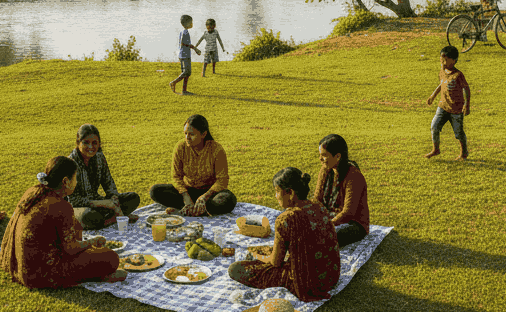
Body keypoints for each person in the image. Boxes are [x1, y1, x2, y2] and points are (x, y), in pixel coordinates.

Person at [0, 155, 126, 288]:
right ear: (66, 181)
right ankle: (100, 275)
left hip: (20, 265)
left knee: (76, 225)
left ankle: (96, 271)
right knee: (111, 258)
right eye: (75, 178)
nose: (76, 182)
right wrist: (92, 242)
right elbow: (70, 249)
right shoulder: (61, 206)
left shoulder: (33, 191)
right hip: (40, 274)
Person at [227, 167, 340, 301]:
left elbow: (275, 263)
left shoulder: (286, 219)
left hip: (308, 283)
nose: (276, 196)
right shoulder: (318, 206)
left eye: (277, 191)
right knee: (269, 249)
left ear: (290, 192)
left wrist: (257, 256)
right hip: (331, 276)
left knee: (235, 269)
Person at [149, 113, 238, 216]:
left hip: (210, 194)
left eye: (191, 134)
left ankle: (190, 209)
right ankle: (197, 209)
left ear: (204, 134)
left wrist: (205, 196)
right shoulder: (180, 147)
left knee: (229, 199)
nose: (187, 137)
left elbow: (222, 180)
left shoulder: (216, 150)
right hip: (188, 191)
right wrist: (185, 196)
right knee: (155, 191)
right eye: (185, 133)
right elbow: (176, 176)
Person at [68, 123, 141, 230]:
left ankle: (108, 219)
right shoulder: (70, 163)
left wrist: (114, 200)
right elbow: (73, 200)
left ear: (99, 144)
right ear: (78, 142)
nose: (90, 147)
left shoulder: (99, 157)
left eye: (94, 143)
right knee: (89, 216)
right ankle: (111, 220)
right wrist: (104, 203)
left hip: (98, 203)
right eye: (86, 143)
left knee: (133, 198)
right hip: (77, 208)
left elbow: (109, 184)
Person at [315, 134, 370, 247]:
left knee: (326, 235)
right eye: (320, 155)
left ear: (338, 156)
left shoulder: (354, 176)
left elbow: (348, 213)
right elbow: (317, 199)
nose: (320, 159)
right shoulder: (325, 170)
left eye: (324, 155)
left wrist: (327, 225)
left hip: (353, 224)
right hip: (329, 217)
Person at [425, 44, 471, 160]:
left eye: (445, 60)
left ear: (454, 61)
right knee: (434, 127)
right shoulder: (442, 72)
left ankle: (463, 153)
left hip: (456, 110)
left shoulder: (458, 75)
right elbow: (442, 84)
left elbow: (466, 89)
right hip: (442, 106)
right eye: (441, 59)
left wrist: (467, 104)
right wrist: (433, 96)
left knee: (458, 132)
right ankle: (436, 149)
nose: (442, 62)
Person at [169, 13, 195, 95]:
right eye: (191, 22)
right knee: (186, 72)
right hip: (184, 55)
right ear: (186, 24)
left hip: (186, 54)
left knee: (188, 72)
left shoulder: (185, 31)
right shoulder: (184, 32)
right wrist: (193, 47)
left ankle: (184, 90)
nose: (192, 24)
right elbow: (183, 42)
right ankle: (173, 82)